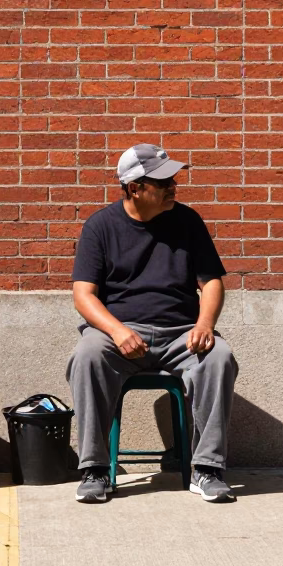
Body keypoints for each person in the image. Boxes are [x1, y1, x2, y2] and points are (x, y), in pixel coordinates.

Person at [67, 143, 237, 505]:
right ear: (134, 188)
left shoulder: (188, 221)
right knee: (87, 355)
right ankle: (95, 469)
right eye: (163, 182)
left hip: (182, 334)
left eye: (173, 179)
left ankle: (207, 468)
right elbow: (84, 295)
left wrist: (205, 323)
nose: (173, 187)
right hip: (121, 333)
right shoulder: (101, 226)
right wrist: (116, 330)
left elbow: (212, 283)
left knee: (219, 356)